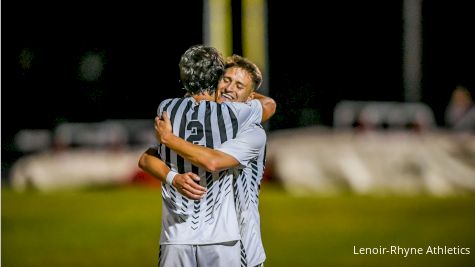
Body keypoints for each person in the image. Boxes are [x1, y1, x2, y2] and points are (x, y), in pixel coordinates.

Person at [139, 45, 275, 267]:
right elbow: (145, 158)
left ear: (251, 97)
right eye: (226, 80)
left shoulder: (251, 130)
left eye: (239, 85)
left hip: (243, 244)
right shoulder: (207, 119)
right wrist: (173, 177)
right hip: (209, 239)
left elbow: (213, 161)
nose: (229, 88)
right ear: (215, 80)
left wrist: (170, 139)